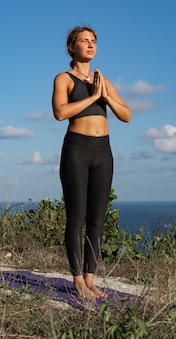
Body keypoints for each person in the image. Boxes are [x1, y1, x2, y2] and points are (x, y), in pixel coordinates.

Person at [52, 25, 131, 299]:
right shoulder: (64, 78)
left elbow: (127, 115)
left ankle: (90, 279)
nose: (90, 44)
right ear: (71, 47)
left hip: (103, 152)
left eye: (93, 41)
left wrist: (105, 95)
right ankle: (76, 281)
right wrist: (93, 98)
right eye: (84, 40)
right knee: (77, 216)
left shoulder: (102, 80)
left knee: (97, 218)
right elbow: (60, 113)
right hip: (77, 150)